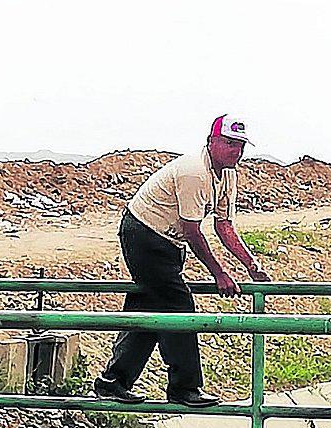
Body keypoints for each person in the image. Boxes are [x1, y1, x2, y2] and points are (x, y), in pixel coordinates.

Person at [93, 115, 270, 407]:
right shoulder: (194, 172)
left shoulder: (227, 175)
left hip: (168, 241)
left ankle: (113, 381)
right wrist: (220, 274)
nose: (235, 152)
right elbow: (193, 231)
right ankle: (184, 387)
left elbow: (224, 226)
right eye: (229, 144)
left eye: (240, 146)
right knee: (178, 305)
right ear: (211, 142)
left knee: (150, 309)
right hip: (145, 234)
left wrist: (252, 265)